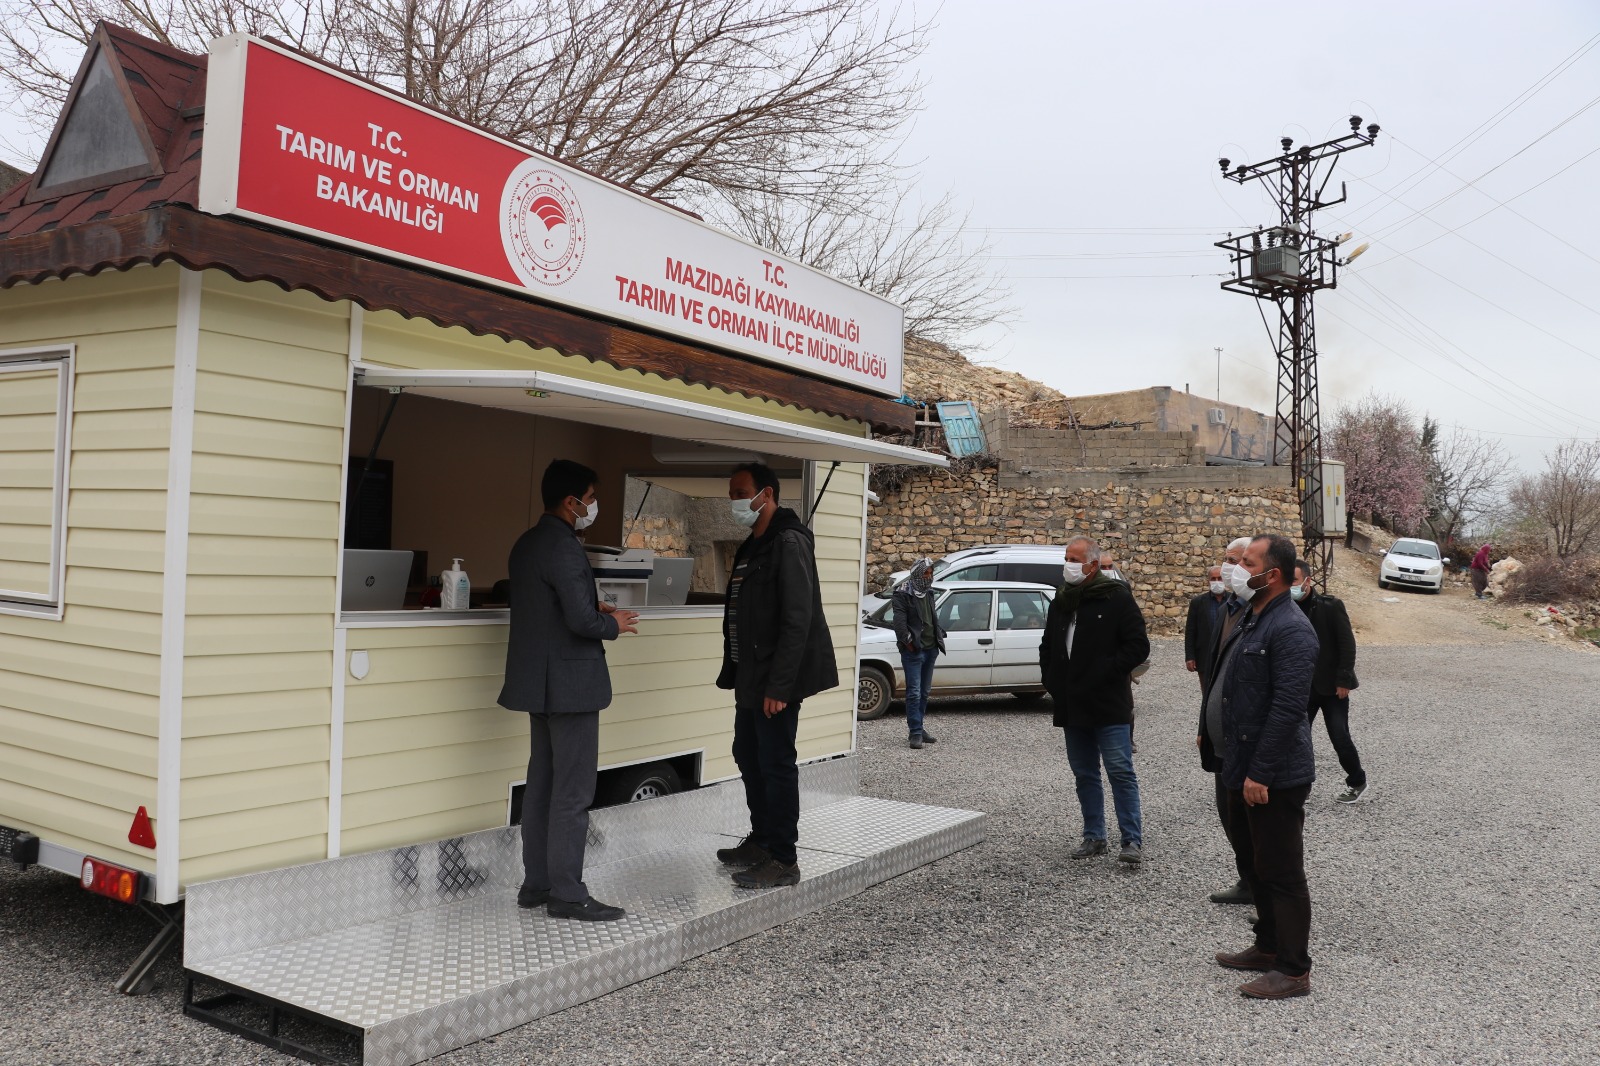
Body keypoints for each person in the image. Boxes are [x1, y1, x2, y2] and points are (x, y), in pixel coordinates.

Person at [499, 459, 638, 922]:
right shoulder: (564, 547)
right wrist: (612, 623)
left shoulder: (526, 543)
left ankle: (536, 884)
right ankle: (568, 892)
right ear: (571, 501)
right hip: (571, 686)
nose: (594, 506)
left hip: (536, 686)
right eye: (592, 498)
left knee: (541, 786)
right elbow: (581, 621)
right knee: (573, 793)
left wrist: (587, 604)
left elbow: (548, 607)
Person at [1202, 534, 1319, 999]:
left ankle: (1292, 969)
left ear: (1270, 575)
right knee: (1257, 864)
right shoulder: (1254, 616)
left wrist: (1261, 773)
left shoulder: (1290, 628)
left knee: (1282, 871)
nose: (1235, 569)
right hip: (1239, 764)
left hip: (1272, 775)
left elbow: (1289, 708)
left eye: (1246, 562)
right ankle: (1268, 946)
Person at [715, 462, 839, 889]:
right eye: (730, 493)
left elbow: (797, 619)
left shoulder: (788, 542)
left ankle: (784, 859)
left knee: (776, 763)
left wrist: (780, 686)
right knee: (747, 755)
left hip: (774, 682)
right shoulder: (755, 543)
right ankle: (763, 840)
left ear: (765, 494)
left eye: (739, 492)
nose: (733, 501)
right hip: (750, 675)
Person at [1040, 536, 1151, 864]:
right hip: (1072, 705)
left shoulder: (1116, 598)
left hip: (1107, 703)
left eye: (1073, 559)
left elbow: (1137, 646)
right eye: (1066, 558)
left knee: (1119, 770)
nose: (1068, 564)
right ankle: (1094, 836)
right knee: (1084, 772)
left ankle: (1131, 840)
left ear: (1091, 565)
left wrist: (1107, 672)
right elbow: (1048, 644)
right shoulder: (1061, 599)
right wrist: (1052, 681)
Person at [1205, 537, 1256, 907]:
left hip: (1248, 742)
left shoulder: (1263, 615)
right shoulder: (1228, 609)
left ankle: (1267, 894)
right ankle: (1247, 879)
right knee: (1229, 815)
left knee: (1256, 825)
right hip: (1222, 740)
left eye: (1236, 561)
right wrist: (1202, 726)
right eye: (1226, 560)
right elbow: (1214, 676)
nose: (1229, 568)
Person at [1293, 561, 1368, 804]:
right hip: (1301, 687)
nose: (1289, 587)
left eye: (1294, 581)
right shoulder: (1283, 608)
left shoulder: (1331, 606)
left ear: (1307, 580)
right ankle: (1298, 786)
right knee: (1297, 737)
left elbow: (1347, 645)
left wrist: (1343, 679)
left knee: (1339, 735)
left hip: (1333, 688)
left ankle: (1357, 781)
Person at [891, 557, 944, 749]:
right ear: (917, 573)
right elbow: (899, 622)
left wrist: (939, 635)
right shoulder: (902, 593)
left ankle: (919, 727)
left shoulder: (928, 592)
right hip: (914, 651)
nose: (929, 576)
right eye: (925, 573)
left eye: (930, 573)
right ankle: (914, 733)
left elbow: (932, 616)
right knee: (913, 693)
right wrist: (909, 643)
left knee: (924, 692)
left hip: (931, 649)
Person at [1184, 565, 1228, 688]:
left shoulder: (1234, 601)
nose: (1217, 582)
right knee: (1207, 691)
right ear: (1208, 581)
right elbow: (1191, 631)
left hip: (1227, 656)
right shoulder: (1198, 603)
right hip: (1205, 657)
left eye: (1220, 578)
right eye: (1213, 579)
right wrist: (1190, 657)